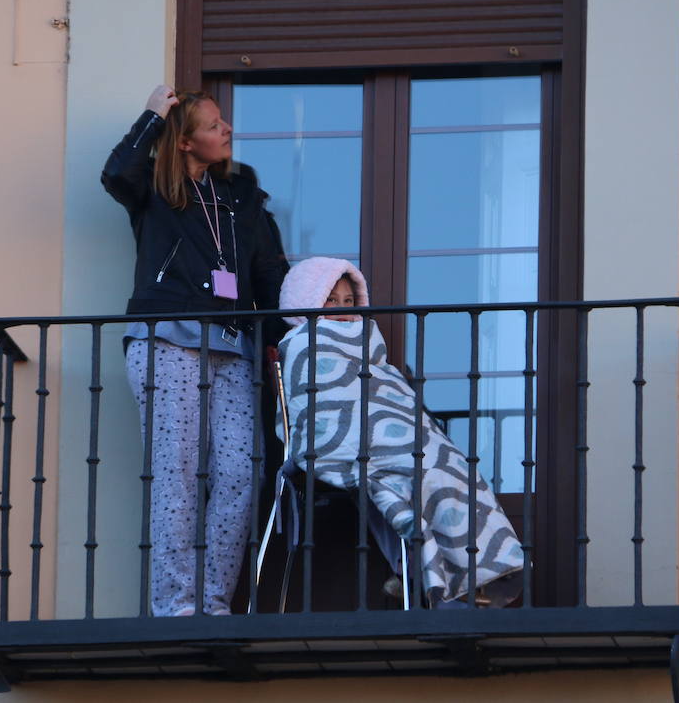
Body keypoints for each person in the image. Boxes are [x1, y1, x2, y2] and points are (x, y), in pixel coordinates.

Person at [102, 84, 289, 616]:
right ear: (184, 142)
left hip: (232, 347)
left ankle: (210, 600)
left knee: (239, 473)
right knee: (177, 472)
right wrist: (153, 115)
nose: (225, 129)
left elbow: (268, 271)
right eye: (211, 125)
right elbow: (117, 174)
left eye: (222, 122)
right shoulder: (154, 193)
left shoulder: (244, 199)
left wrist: (274, 335)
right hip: (165, 340)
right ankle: (176, 604)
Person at [277, 256, 524, 606]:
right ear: (305, 300)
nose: (343, 310)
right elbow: (322, 402)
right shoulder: (303, 343)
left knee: (449, 471)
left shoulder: (369, 345)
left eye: (349, 302)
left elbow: (386, 394)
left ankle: (467, 577)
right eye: (331, 300)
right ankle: (431, 577)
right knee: (402, 477)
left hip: (396, 439)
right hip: (350, 440)